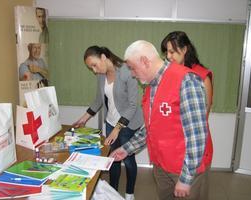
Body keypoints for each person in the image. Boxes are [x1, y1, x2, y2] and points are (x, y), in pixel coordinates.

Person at [110, 40, 213, 200]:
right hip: (161, 166)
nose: (131, 73)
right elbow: (152, 127)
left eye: (132, 68)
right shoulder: (151, 86)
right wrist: (127, 149)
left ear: (144, 61)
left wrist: (186, 179)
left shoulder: (186, 80)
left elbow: (197, 135)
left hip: (184, 169)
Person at [73, 46, 143, 200]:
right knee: (112, 159)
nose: (94, 70)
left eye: (94, 64)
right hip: (111, 122)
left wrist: (117, 129)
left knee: (128, 160)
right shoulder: (101, 74)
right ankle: (113, 192)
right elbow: (98, 100)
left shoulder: (126, 71)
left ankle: (130, 194)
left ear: (103, 57)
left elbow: (132, 105)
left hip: (128, 124)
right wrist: (83, 118)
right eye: (91, 67)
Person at [161, 31, 213, 115]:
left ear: (184, 49)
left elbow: (204, 115)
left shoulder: (201, 76)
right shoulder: (166, 74)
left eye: (172, 52)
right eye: (166, 52)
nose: (168, 56)